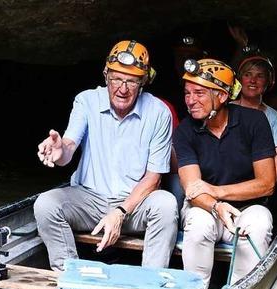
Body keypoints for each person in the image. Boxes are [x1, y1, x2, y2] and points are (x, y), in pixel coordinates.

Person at [34, 40, 179, 271]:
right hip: (89, 199)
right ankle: (68, 274)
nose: (123, 88)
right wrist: (60, 150)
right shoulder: (86, 100)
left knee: (166, 204)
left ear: (143, 83)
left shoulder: (159, 112)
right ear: (105, 75)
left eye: (131, 81)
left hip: (134, 204)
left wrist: (120, 212)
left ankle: (150, 281)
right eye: (116, 79)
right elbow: (69, 147)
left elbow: (154, 178)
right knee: (46, 204)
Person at [174, 58, 276, 287]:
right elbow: (193, 188)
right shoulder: (185, 130)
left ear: (221, 96)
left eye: (199, 93)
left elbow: (267, 183)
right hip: (206, 207)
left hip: (247, 209)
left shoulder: (254, 121)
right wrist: (216, 205)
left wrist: (217, 190)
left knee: (257, 224)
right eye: (187, 93)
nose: (191, 101)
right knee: (199, 224)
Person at [232, 54, 277, 181]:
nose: (253, 80)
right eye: (247, 74)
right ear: (239, 79)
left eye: (260, 76)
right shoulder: (224, 111)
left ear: (269, 82)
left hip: (254, 191)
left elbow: (276, 173)